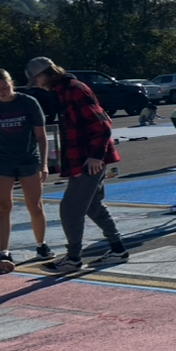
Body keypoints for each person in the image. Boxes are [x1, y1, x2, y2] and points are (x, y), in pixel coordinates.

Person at [25, 57, 128, 273]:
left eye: (36, 80)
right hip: (85, 159)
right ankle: (118, 249)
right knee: (93, 206)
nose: (37, 84)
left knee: (70, 209)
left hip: (88, 160)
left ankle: (73, 258)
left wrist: (95, 156)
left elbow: (102, 123)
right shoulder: (64, 91)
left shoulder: (74, 89)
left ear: (46, 74)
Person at [0, 69, 52, 270]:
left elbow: (41, 136)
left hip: (28, 160)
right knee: (3, 206)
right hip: (2, 161)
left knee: (34, 205)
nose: (1, 92)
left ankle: (41, 244)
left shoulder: (28, 102)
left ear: (12, 84)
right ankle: (4, 251)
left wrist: (44, 163)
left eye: (5, 87)